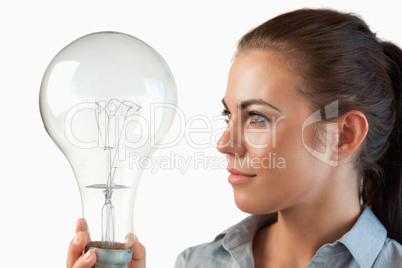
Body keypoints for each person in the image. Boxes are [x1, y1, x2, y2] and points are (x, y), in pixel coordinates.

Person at [67, 8, 402, 268]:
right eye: (229, 115)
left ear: (343, 135)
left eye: (257, 117)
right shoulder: (197, 264)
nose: (224, 143)